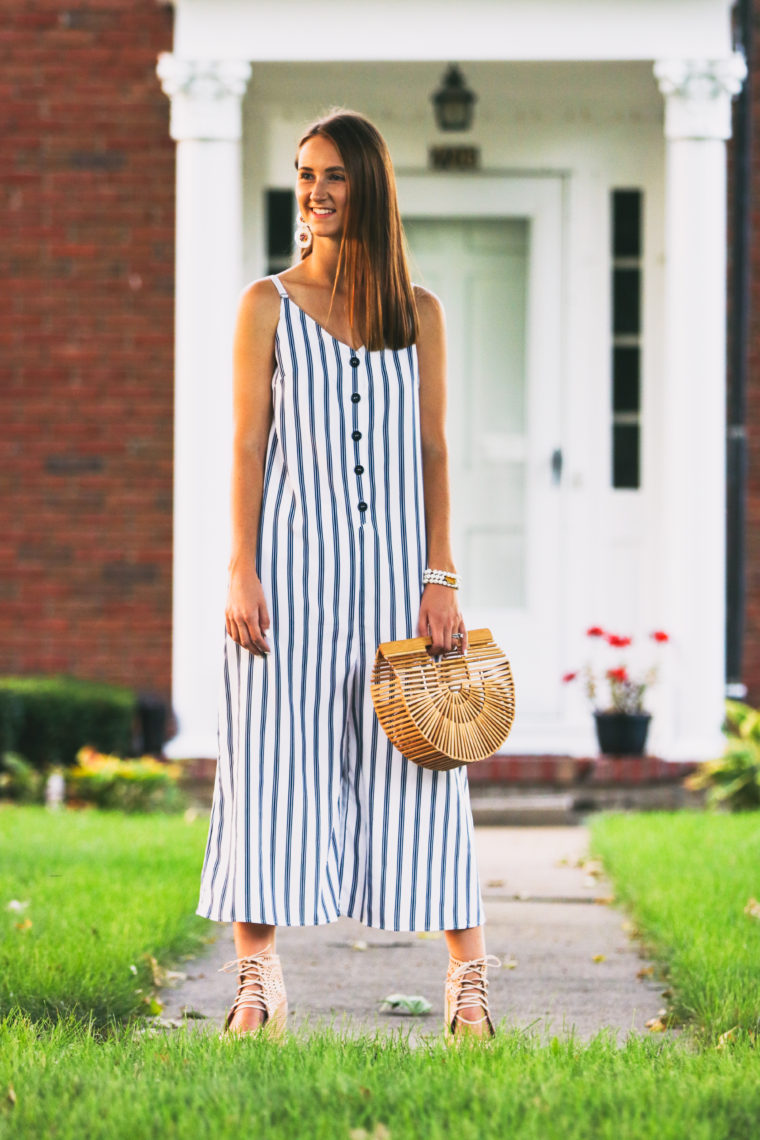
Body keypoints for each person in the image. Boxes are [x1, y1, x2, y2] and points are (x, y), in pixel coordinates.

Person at [196, 109, 499, 1040]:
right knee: (271, 771)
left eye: (332, 174)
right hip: (286, 585)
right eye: (304, 174)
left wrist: (439, 576)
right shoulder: (267, 303)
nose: (316, 191)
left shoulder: (421, 312)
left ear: (368, 184)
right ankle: (257, 979)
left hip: (395, 589)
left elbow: (435, 450)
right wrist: (240, 569)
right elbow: (248, 445)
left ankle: (469, 980)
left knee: (428, 767)